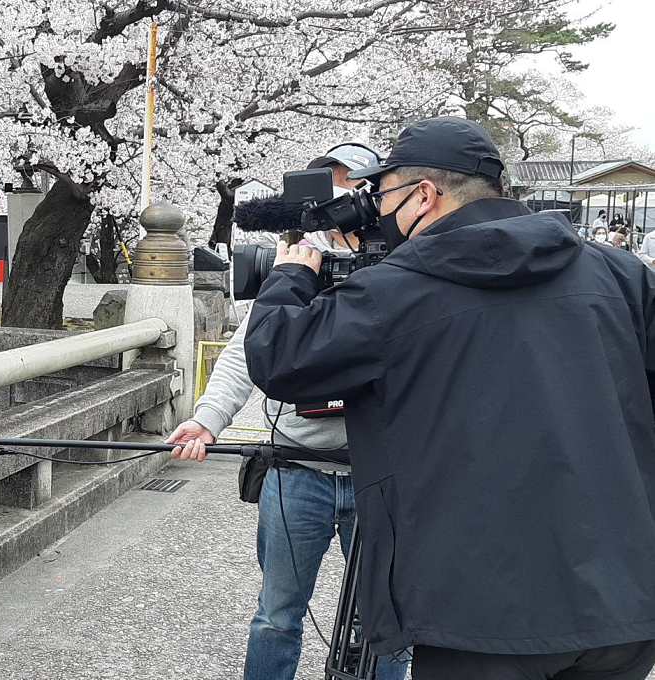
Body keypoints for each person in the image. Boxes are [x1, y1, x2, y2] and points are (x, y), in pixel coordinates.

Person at [244, 116, 655, 679]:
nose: (375, 212)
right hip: (625, 601)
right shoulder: (620, 272)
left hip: (479, 613)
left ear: (422, 196)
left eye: (381, 195)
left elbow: (283, 360)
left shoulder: (397, 289)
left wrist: (290, 277)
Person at [169, 144, 409, 680]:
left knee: (388, 618)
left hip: (383, 475)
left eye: (354, 187)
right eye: (329, 187)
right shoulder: (295, 264)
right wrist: (208, 419)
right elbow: (245, 352)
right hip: (295, 470)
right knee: (276, 617)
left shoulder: (405, 262)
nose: (341, 199)